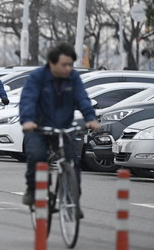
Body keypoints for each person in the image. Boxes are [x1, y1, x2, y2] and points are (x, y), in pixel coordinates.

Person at [19, 44, 100, 206]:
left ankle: (72, 201)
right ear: (51, 63)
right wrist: (27, 120)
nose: (68, 68)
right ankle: (32, 187)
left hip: (63, 127)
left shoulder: (73, 78)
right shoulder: (37, 77)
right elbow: (28, 100)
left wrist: (90, 118)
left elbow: (82, 98)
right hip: (38, 127)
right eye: (64, 65)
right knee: (36, 155)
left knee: (72, 161)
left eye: (71, 64)